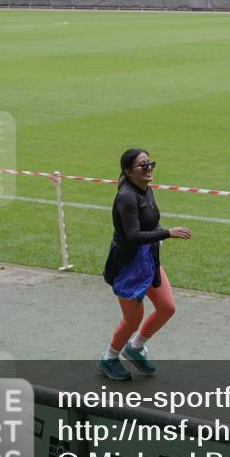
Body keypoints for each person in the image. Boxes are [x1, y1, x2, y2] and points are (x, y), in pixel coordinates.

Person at [99, 148, 191, 381]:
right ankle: (109, 358)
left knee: (167, 307)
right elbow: (132, 236)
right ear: (128, 171)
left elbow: (150, 223)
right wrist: (166, 233)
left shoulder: (145, 189)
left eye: (150, 163)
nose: (148, 168)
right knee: (132, 319)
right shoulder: (127, 197)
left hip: (148, 259)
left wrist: (159, 237)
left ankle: (136, 347)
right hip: (128, 265)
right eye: (143, 165)